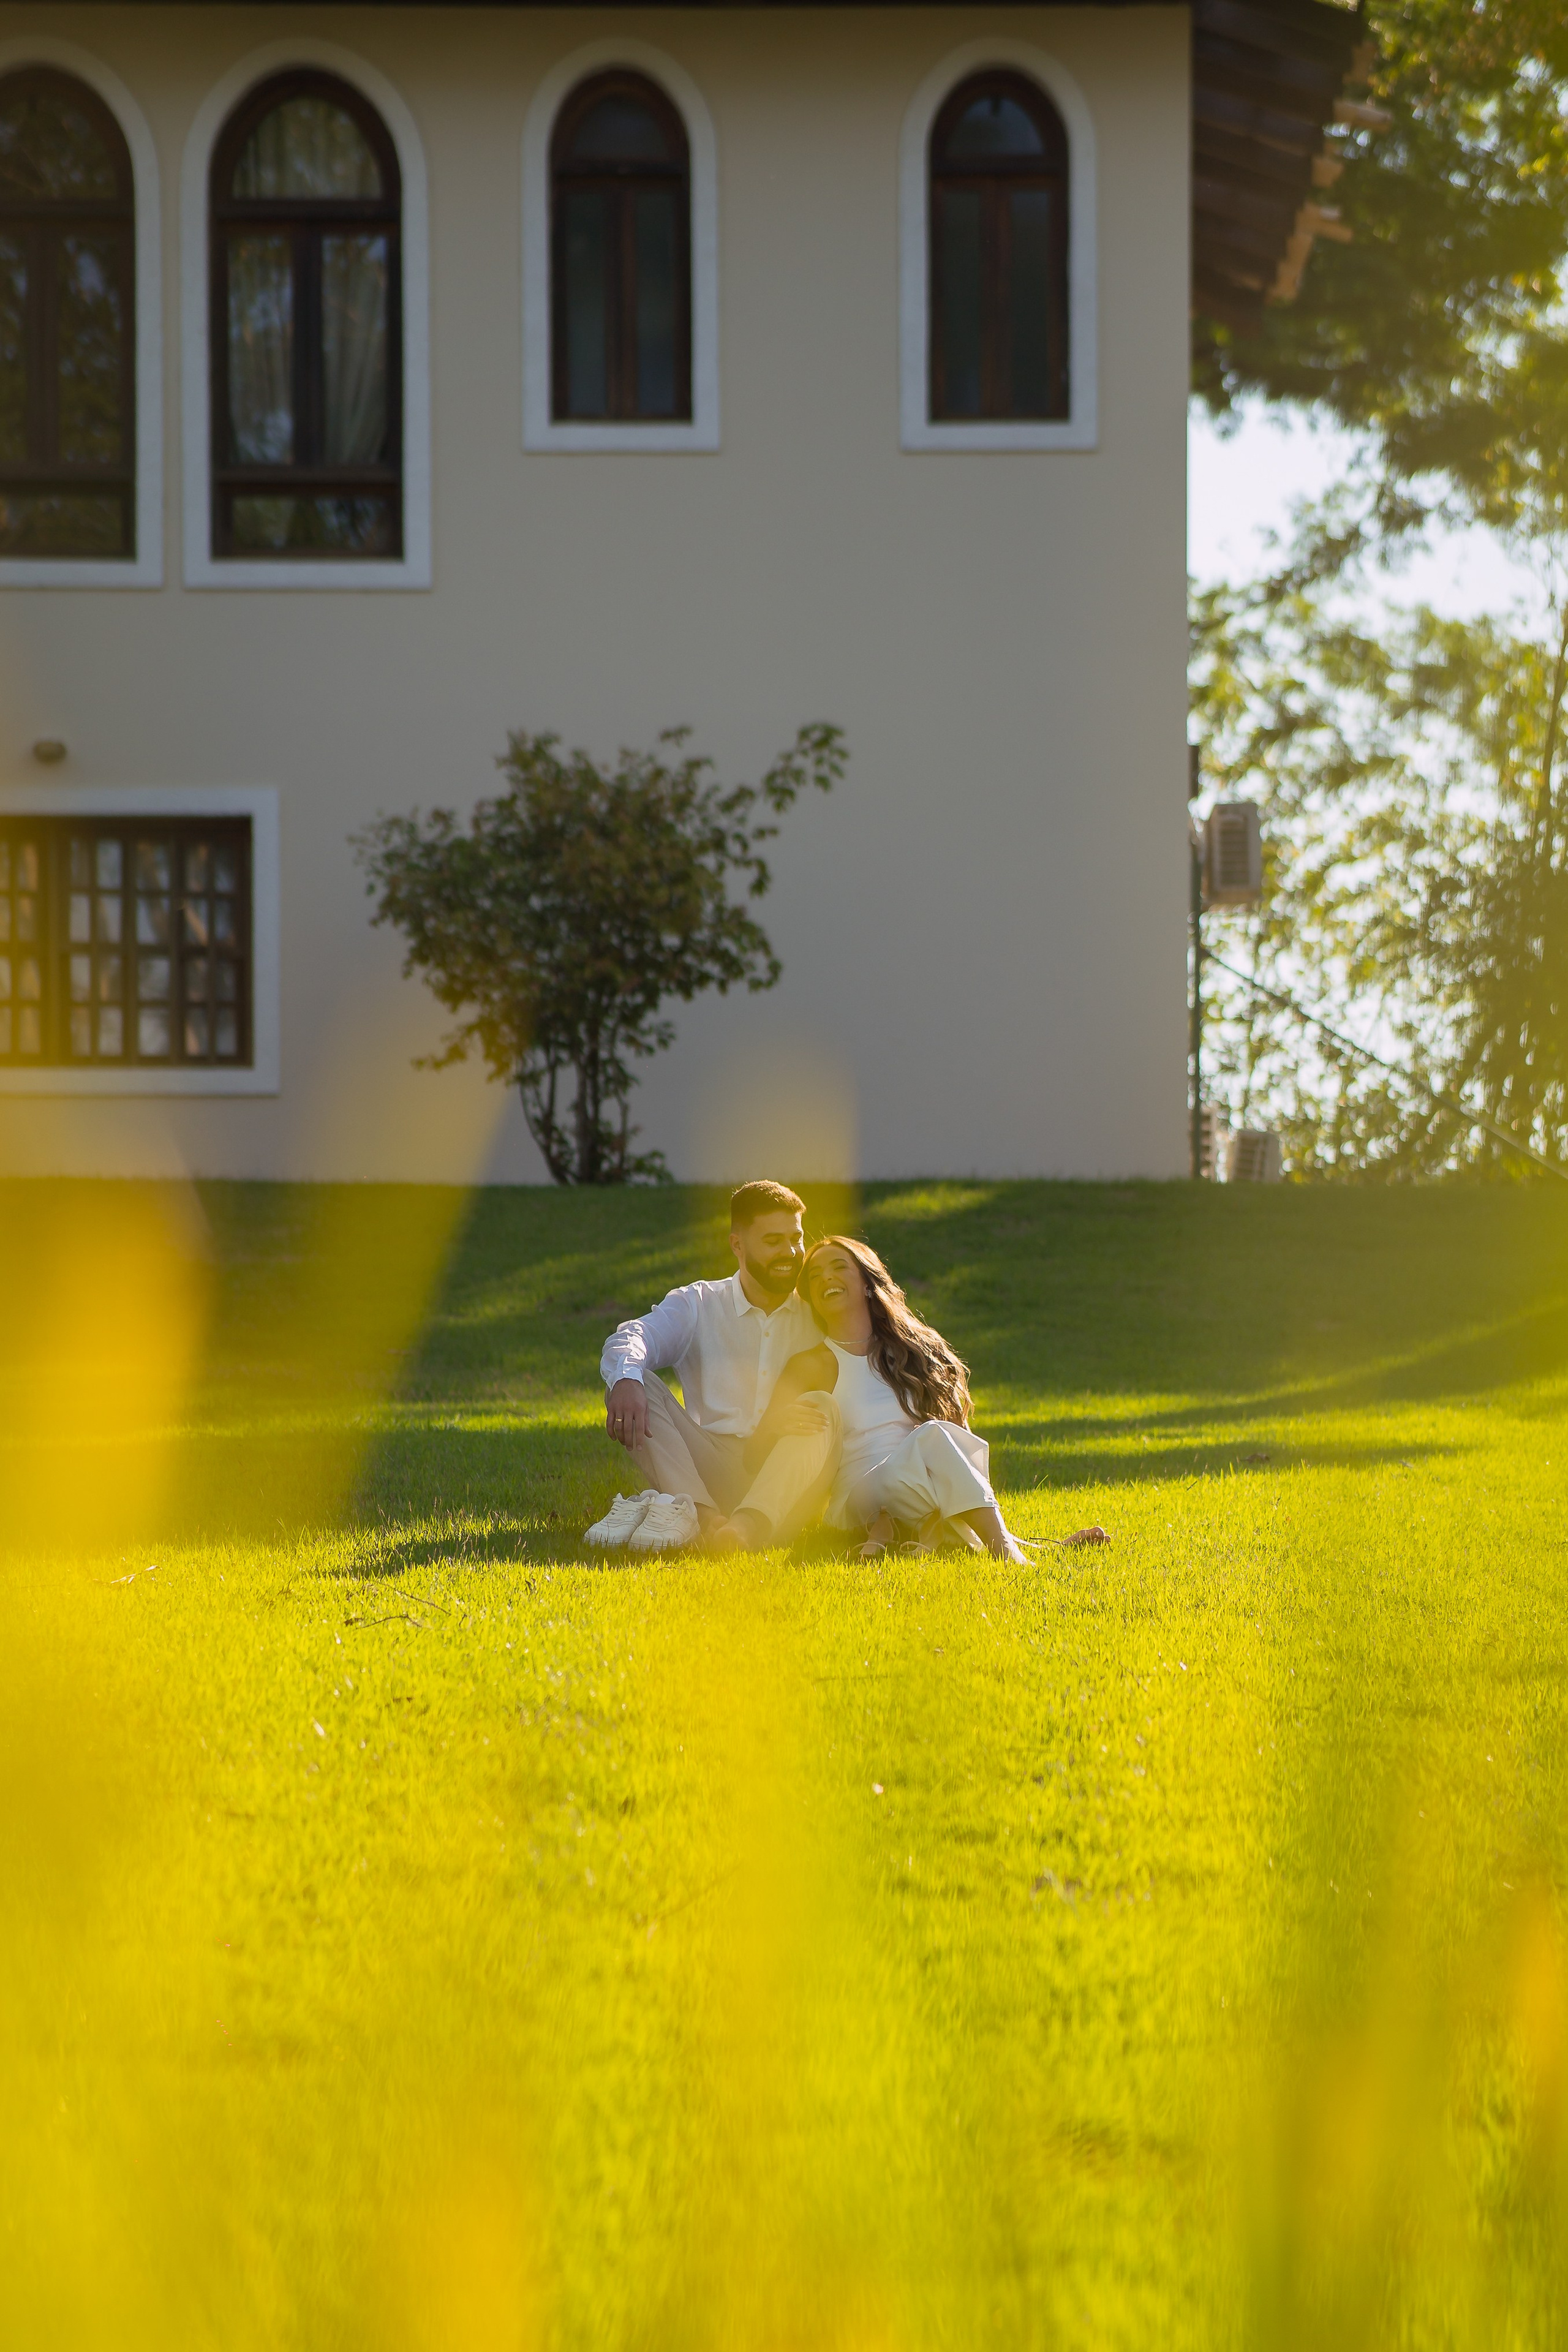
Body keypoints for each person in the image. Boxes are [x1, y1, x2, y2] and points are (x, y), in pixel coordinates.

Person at [591, 1179, 843, 1554]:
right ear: (737, 1245)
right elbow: (634, 1336)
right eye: (773, 1241)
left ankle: (746, 1528)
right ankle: (706, 1520)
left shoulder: (820, 1310)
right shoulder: (699, 1303)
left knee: (822, 1407)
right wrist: (626, 1380)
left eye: (796, 1238)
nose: (790, 1252)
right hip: (710, 1467)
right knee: (633, 1376)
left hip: (790, 1466)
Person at [747, 1233, 1028, 1562]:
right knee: (934, 1434)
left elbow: (960, 1450)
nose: (826, 1277)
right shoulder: (811, 1364)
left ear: (868, 1284)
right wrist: (778, 1425)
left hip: (917, 1486)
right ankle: (1006, 1551)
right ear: (812, 1296)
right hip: (857, 1498)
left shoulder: (913, 1355)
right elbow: (753, 1458)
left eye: (839, 1267)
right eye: (815, 1275)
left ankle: (1015, 1542)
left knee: (944, 1437)